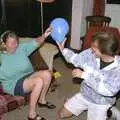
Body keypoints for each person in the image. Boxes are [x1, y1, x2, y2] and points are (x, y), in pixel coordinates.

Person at [57, 32, 120, 120]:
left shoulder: (117, 70)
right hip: (85, 94)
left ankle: (109, 111)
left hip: (101, 102)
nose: (91, 49)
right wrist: (63, 49)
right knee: (62, 114)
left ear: (105, 52)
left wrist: (84, 75)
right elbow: (76, 59)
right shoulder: (91, 53)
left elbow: (108, 91)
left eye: (95, 48)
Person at [0, 28, 56, 120]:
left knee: (47, 74)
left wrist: (44, 35)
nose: (15, 45)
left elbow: (36, 42)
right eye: (12, 43)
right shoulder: (1, 57)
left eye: (16, 42)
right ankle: (31, 115)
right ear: (4, 44)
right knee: (38, 81)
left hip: (28, 75)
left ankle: (42, 100)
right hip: (13, 83)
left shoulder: (21, 48)